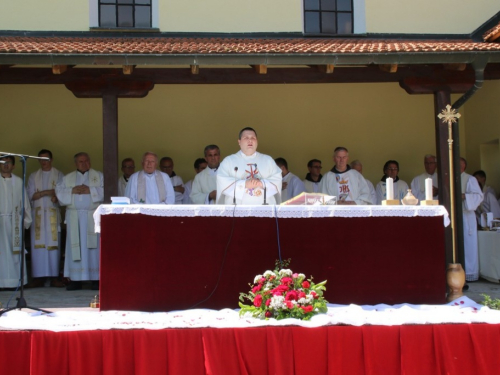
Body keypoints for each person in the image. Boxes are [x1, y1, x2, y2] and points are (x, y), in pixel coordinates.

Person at [56, 152, 103, 291]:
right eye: (81, 161)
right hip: (74, 217)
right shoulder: (67, 178)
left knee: (93, 249)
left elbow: (107, 189)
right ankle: (76, 280)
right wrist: (72, 190)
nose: (84, 163)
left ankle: (96, 279)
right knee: (74, 248)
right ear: (76, 163)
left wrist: (91, 190)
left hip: (92, 216)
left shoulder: (99, 176)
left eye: (87, 160)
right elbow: (59, 191)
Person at [26, 149, 65, 288]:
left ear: (51, 159)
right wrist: (49, 192)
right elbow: (31, 195)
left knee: (53, 247)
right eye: (41, 159)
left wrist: (42, 193)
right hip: (38, 215)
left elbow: (61, 193)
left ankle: (54, 277)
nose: (43, 162)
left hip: (52, 214)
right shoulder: (33, 176)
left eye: (46, 159)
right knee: (38, 248)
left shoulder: (59, 174)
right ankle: (38, 277)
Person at [216, 127, 282, 204]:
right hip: (237, 210)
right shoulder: (229, 161)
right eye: (246, 138)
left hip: (264, 208)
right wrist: (245, 184)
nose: (250, 140)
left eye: (253, 138)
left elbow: (277, 179)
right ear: (239, 142)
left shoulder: (268, 160)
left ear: (257, 141)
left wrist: (261, 183)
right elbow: (222, 180)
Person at [0, 155, 32, 290]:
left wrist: (26, 221)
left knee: (15, 253)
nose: (6, 165)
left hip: (15, 222)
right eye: (3, 163)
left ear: (13, 166)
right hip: (0, 221)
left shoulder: (19, 182)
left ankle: (16, 282)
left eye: (8, 163)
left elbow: (25, 203)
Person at [460, 158, 483, 282]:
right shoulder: (450, 178)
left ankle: (469, 273)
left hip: (466, 216)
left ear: (464, 166)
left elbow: (478, 196)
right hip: (453, 215)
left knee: (468, 245)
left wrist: (463, 196)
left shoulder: (470, 179)